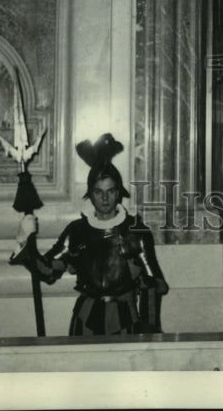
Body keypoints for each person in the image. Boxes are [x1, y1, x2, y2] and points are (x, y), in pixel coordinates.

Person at [10, 133, 168, 337]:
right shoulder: (77, 231)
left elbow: (151, 284)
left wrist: (148, 329)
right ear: (90, 194)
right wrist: (23, 241)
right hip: (84, 320)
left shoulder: (135, 231)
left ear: (119, 192)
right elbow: (48, 271)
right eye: (98, 192)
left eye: (110, 191)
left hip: (126, 321)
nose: (104, 198)